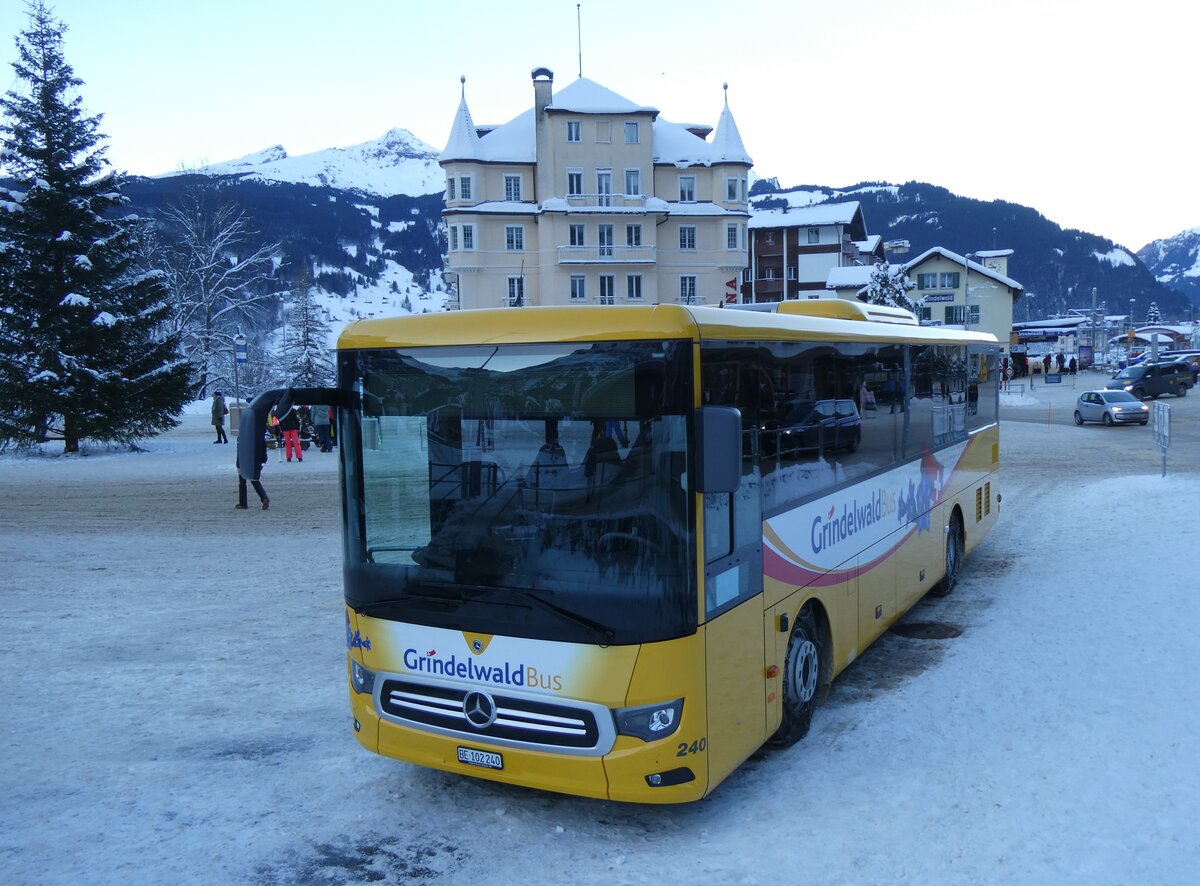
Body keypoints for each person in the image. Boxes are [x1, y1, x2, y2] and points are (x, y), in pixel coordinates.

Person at [235, 428, 269, 510]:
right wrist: (262, 460)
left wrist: (238, 464)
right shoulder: (258, 435)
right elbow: (263, 449)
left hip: (244, 461)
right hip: (255, 461)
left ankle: (243, 503)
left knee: (242, 482)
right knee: (255, 481)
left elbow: (240, 451)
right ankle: (264, 497)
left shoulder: (242, 436)